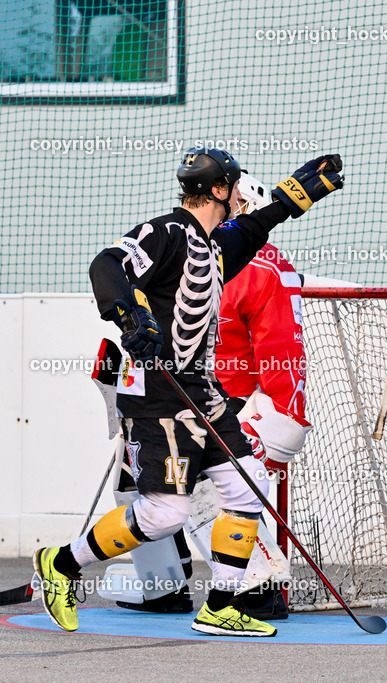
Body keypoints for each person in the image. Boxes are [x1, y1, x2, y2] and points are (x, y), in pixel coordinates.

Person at [33, 147, 342, 636]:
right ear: (219, 189)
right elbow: (107, 263)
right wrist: (128, 315)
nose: (239, 196)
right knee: (164, 513)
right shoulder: (167, 232)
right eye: (234, 187)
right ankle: (62, 563)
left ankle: (220, 606)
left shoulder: (215, 245)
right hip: (157, 392)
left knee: (248, 484)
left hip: (202, 391)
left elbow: (255, 226)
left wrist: (298, 193)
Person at [107, 173, 312, 620]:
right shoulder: (190, 253)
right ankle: (163, 585)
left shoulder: (256, 267)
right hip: (186, 397)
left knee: (200, 472)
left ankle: (257, 585)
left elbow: (281, 355)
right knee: (132, 472)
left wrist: (277, 417)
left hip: (244, 405)